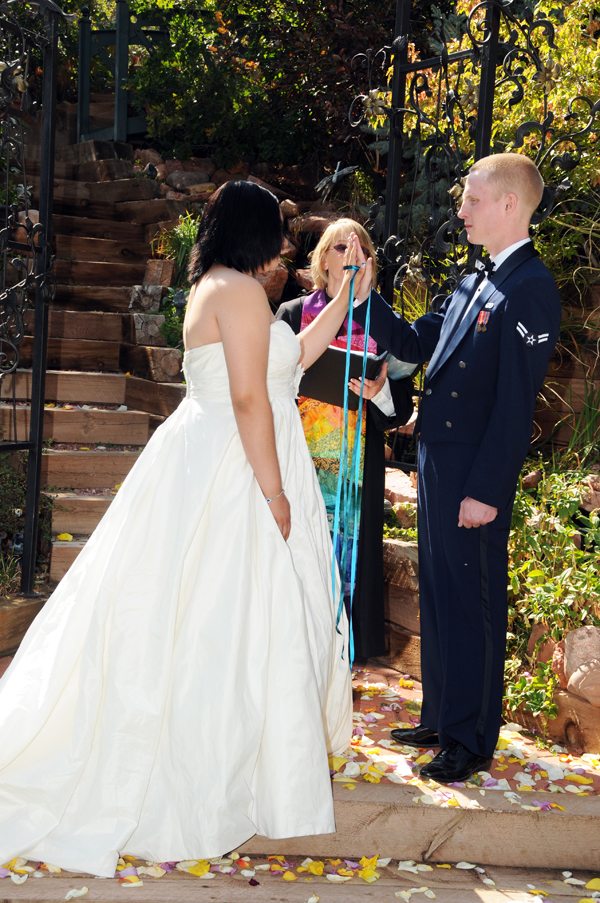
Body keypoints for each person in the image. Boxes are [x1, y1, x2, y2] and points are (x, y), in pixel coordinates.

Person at [0, 181, 373, 876]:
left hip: (217, 454)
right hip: (232, 469)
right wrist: (274, 491)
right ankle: (206, 776)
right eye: (278, 231)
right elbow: (248, 396)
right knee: (218, 620)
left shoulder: (222, 286)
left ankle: (246, 766)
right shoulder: (238, 291)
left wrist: (346, 302)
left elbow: (289, 359)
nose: (287, 245)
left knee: (226, 618)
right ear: (251, 231)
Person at [352, 154, 562, 783]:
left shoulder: (531, 287)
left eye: (472, 199)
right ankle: (442, 717)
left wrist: (487, 491)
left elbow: (513, 403)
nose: (461, 209)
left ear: (508, 205)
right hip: (438, 463)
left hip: (473, 475)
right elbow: (419, 344)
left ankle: (471, 739)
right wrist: (368, 299)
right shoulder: (476, 278)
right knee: (441, 598)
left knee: (472, 603)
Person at [277, 219, 414, 659]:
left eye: (359, 246)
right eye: (340, 245)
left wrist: (381, 392)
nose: (349, 253)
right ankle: (292, 644)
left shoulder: (383, 321)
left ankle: (340, 650)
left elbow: (403, 408)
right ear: (321, 258)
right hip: (299, 456)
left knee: (347, 559)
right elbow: (269, 380)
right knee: (295, 551)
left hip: (356, 465)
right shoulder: (294, 313)